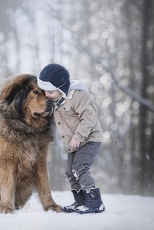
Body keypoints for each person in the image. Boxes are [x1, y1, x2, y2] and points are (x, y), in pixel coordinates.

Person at [37, 63, 105, 214]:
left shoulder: (78, 96)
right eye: (45, 91)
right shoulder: (56, 101)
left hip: (90, 139)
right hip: (74, 143)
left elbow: (89, 117)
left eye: (50, 91)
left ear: (60, 88)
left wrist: (79, 136)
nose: (46, 94)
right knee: (69, 171)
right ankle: (80, 201)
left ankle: (95, 202)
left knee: (80, 168)